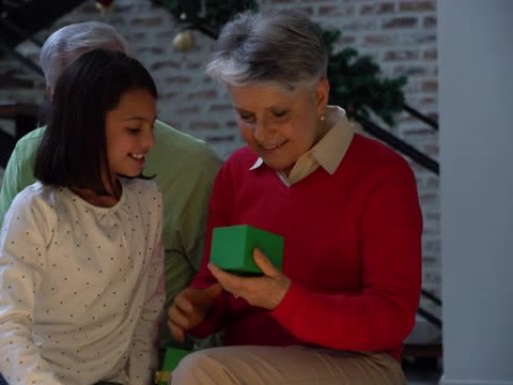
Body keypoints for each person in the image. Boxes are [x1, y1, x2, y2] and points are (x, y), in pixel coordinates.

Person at [0, 21, 222, 385]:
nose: (147, 141)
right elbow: (4, 296)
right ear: (60, 98)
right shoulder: (36, 186)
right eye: (85, 85)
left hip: (115, 356)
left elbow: (166, 306)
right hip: (33, 349)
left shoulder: (168, 183)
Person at [167, 9, 423, 385]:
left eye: (279, 113)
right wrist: (201, 307)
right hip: (248, 365)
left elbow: (391, 318)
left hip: (361, 365)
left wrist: (285, 299)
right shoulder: (235, 174)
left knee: (200, 371)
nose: (263, 132)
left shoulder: (383, 174)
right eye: (246, 115)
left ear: (319, 97)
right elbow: (216, 283)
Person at [0, 47, 164, 385]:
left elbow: (147, 313)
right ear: (87, 126)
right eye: (135, 129)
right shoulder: (36, 208)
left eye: (151, 126)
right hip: (23, 376)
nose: (149, 141)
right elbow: (6, 326)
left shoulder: (147, 202)